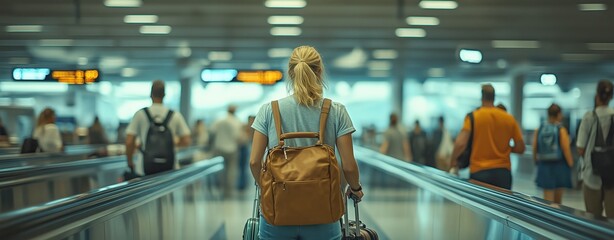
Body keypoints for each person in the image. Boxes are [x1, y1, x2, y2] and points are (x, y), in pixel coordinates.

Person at [249, 45, 363, 240]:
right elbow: (349, 166)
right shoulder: (336, 111)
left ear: (290, 72)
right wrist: (355, 188)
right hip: (323, 214)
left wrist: (267, 188)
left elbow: (254, 162)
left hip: (278, 214)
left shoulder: (269, 110)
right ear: (319, 71)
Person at [450, 84, 525, 190]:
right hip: (503, 173)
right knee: (502, 205)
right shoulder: (508, 118)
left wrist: (453, 161)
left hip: (479, 172)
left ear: (482, 97)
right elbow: (520, 148)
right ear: (494, 97)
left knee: (479, 206)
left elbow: (461, 143)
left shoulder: (473, 117)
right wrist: (504, 147)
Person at [125, 80, 191, 176]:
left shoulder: (140, 114)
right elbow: (186, 140)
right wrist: (174, 143)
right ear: (164, 95)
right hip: (170, 168)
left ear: (150, 94)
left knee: (145, 191)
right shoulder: (175, 115)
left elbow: (129, 141)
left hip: (143, 167)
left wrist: (130, 162)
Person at [576, 80, 614, 219]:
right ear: (610, 97)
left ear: (597, 96)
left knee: (593, 219)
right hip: (612, 175)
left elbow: (580, 148)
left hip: (592, 174)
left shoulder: (589, 117)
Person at [532, 104, 574, 204]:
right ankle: (556, 218)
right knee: (557, 201)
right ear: (558, 114)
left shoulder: (540, 128)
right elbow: (565, 148)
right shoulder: (561, 129)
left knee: (547, 199)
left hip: (544, 165)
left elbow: (534, 146)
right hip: (559, 166)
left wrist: (536, 160)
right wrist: (571, 163)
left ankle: (546, 218)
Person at [211, 105, 244, 197]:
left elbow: (212, 132)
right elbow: (239, 137)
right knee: (231, 170)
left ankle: (221, 188)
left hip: (219, 148)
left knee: (221, 170)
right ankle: (229, 191)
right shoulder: (236, 122)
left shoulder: (220, 120)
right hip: (232, 149)